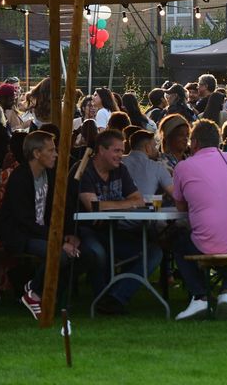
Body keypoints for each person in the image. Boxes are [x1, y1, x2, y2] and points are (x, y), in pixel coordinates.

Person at [169, 119, 227, 321]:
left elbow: (181, 208)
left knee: (178, 240)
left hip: (206, 241)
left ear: (195, 142)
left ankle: (200, 296)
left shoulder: (184, 166)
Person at [0, 130, 79, 320]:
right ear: (36, 153)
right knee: (58, 254)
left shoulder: (49, 174)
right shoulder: (20, 178)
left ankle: (43, 293)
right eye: (51, 150)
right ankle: (34, 293)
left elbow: (61, 206)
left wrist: (67, 234)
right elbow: (23, 221)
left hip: (42, 232)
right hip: (21, 234)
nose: (56, 154)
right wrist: (58, 241)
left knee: (76, 256)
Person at [73, 129, 154, 314]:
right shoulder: (84, 169)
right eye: (116, 151)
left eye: (122, 151)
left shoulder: (121, 170)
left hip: (113, 231)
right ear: (101, 150)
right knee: (98, 253)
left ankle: (115, 297)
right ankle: (102, 298)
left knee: (154, 252)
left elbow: (138, 199)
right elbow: (93, 206)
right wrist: (125, 204)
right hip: (85, 232)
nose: (121, 155)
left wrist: (112, 204)